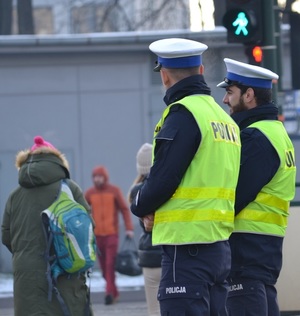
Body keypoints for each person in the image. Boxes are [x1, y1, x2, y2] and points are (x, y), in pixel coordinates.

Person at [130, 38, 241, 315]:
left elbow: (164, 179)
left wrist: (140, 205)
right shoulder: (224, 119)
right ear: (201, 71)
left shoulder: (183, 115)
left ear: (165, 76)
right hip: (218, 249)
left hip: (186, 250)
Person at [217, 58, 297, 316]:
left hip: (245, 251)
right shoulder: (276, 132)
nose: (225, 100)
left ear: (249, 95)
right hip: (263, 250)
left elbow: (234, 196)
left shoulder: (256, 137)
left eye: (230, 92)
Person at [1, 135, 93, 316]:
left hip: (26, 275)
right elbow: (88, 227)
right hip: (64, 271)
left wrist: (26, 253)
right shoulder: (69, 188)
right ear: (57, 161)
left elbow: (6, 236)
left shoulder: (14, 196)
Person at [85, 165, 134, 305]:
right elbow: (82, 209)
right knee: (103, 267)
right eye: (95, 176)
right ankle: (115, 292)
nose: (97, 179)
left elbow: (125, 209)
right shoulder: (89, 193)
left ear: (105, 177)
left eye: (100, 176)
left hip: (112, 234)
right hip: (97, 236)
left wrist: (129, 228)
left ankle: (108, 294)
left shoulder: (114, 191)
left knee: (110, 264)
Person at [128, 143, 162, 316]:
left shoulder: (136, 191)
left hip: (150, 255)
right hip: (169, 251)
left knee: (154, 309)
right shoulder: (165, 186)